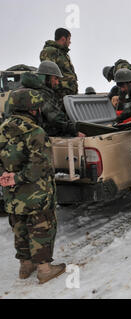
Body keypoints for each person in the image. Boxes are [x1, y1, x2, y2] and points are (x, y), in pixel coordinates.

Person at [0, 78, 66, 284]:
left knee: (19, 227)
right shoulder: (35, 132)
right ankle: (44, 269)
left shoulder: (1, 129)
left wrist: (7, 176)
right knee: (41, 227)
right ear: (31, 109)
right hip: (36, 192)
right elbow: (40, 167)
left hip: (12, 194)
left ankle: (25, 266)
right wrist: (20, 177)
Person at [5, 61, 82, 137]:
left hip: (11, 132)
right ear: (46, 77)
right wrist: (75, 131)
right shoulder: (41, 93)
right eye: (55, 78)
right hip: (34, 135)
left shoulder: (17, 90)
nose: (57, 82)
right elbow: (56, 119)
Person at [39, 28, 78, 104]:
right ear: (63, 39)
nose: (70, 42)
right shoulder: (49, 51)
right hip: (58, 97)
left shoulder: (63, 54)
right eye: (69, 39)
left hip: (68, 96)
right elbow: (49, 74)